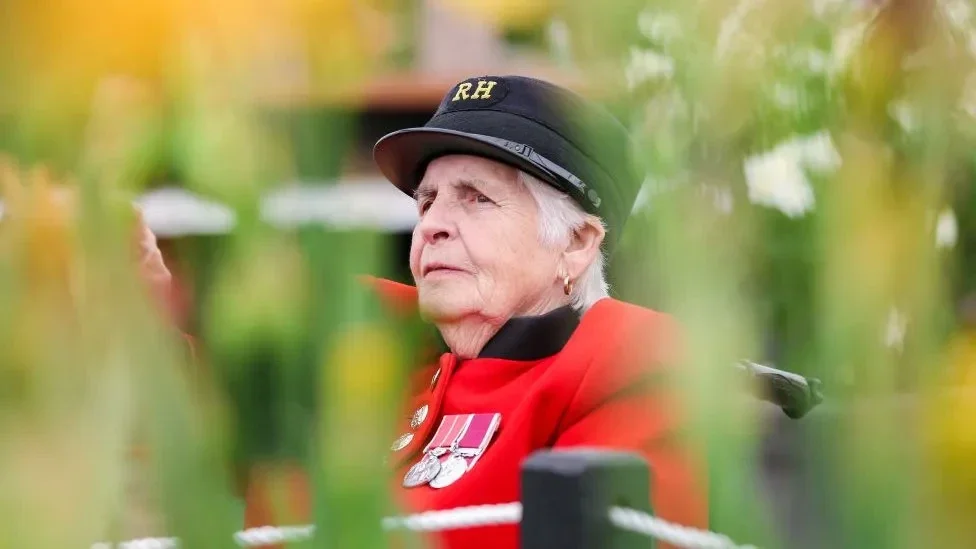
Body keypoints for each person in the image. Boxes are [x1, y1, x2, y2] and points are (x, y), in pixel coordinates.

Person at [313, 75, 706, 548]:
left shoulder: (627, 373)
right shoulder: (375, 348)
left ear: (575, 243)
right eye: (427, 201)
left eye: (477, 198)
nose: (432, 225)